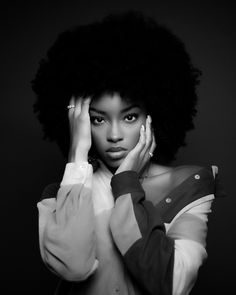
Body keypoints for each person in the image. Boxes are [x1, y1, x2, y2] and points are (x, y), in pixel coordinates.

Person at [32, 10, 225, 295]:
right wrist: (77, 154)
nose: (113, 135)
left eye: (130, 117)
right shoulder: (64, 194)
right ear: (80, 123)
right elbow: (73, 268)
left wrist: (126, 184)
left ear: (154, 115)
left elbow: (171, 284)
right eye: (98, 119)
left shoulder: (188, 187)